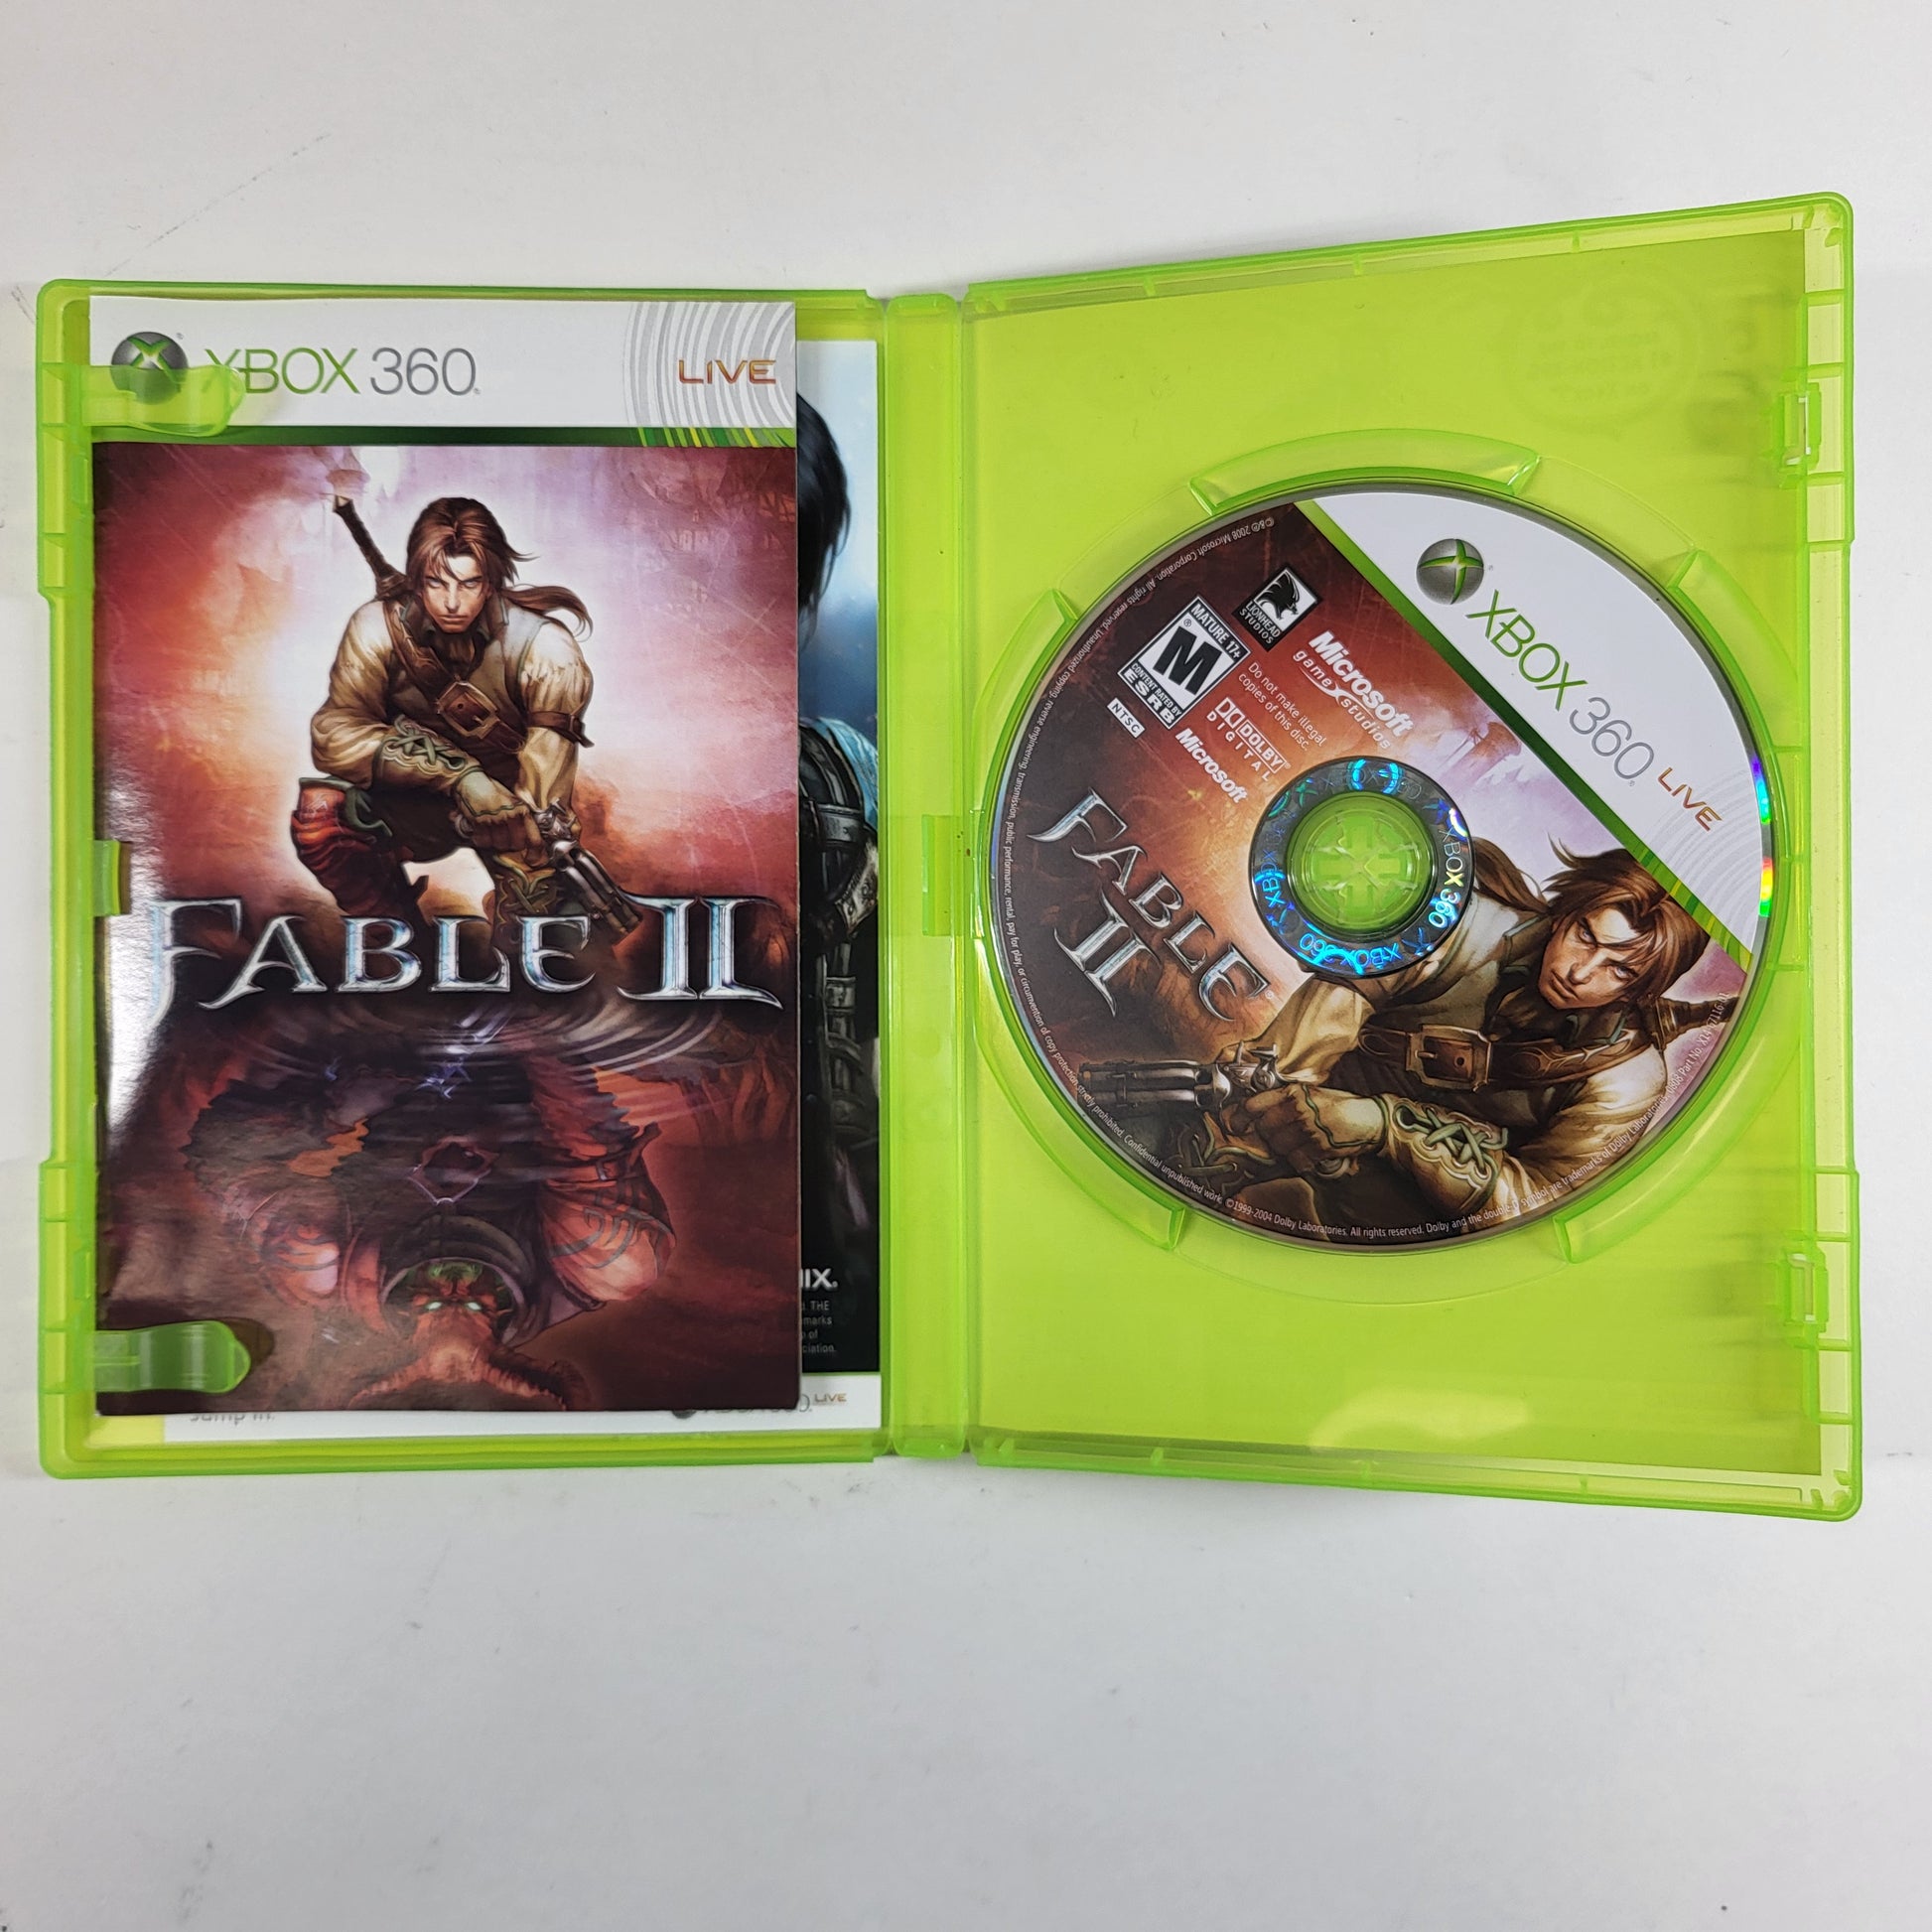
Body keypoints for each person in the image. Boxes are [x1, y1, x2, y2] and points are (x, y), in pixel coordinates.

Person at [1223, 841, 1728, 1237]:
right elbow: (1311, 1030)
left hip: (1408, 1224)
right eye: (1585, 935)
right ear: (1565, 915)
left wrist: (1387, 1127)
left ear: (1643, 989)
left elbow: (1534, 1203)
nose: (1580, 972)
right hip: (1290, 1128)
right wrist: (1267, 1101)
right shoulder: (1459, 930)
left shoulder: (1627, 1079)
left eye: (1619, 969)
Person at [292, 496, 595, 942]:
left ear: (490, 584)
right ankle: (393, 941)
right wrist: (461, 776)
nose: (452, 602)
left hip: (512, 809)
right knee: (323, 815)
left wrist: (521, 835)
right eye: (436, 583)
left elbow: (545, 779)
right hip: (419, 801)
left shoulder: (547, 648)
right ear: (417, 582)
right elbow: (336, 734)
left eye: (469, 584)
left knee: (547, 941)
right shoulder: (377, 627)